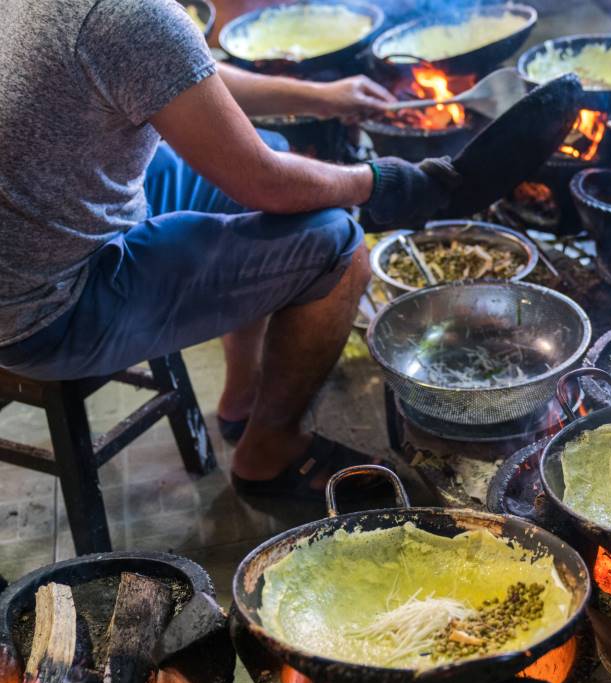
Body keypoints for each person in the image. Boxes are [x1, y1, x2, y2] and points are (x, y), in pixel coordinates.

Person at [0, 0, 468, 501]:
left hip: (36, 242)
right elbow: (267, 185)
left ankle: (243, 398)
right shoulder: (127, 14)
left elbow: (173, 68)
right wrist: (381, 181)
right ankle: (269, 455)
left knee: (274, 152)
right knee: (337, 244)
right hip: (51, 309)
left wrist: (324, 98)